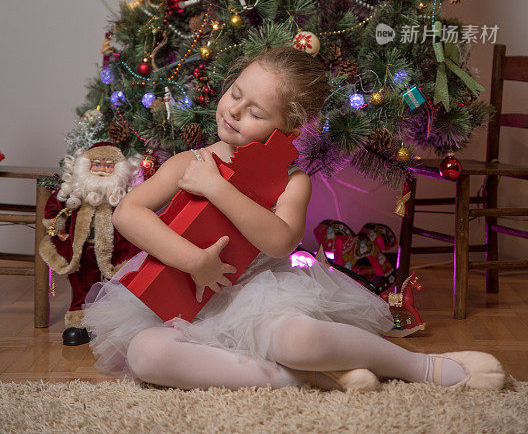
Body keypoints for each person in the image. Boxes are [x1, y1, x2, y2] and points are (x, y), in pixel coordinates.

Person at [82, 45, 505, 392]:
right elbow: (128, 213)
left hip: (260, 298)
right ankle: (291, 379)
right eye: (235, 94)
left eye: (256, 112)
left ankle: (419, 367)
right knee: (145, 354)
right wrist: (194, 261)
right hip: (183, 298)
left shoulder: (292, 181)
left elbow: (281, 241)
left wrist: (218, 188)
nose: (234, 111)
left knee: (298, 339)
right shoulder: (190, 161)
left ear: (289, 128)